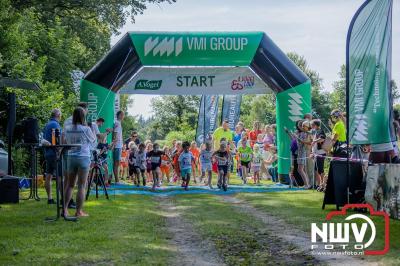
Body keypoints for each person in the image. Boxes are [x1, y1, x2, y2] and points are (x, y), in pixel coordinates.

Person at [63, 107, 95, 217]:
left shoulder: (67, 128)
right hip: (83, 158)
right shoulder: (86, 129)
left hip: (71, 157)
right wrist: (88, 128)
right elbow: (93, 140)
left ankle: (65, 210)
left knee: (70, 185)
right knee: (81, 186)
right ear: (83, 116)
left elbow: (65, 141)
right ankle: (78, 211)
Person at [43, 108, 62, 204]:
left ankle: (50, 198)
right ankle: (60, 198)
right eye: (60, 115)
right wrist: (59, 150)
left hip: (47, 153)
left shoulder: (47, 124)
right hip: (55, 153)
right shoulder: (55, 124)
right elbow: (58, 140)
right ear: (58, 115)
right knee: (60, 176)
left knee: (49, 175)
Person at [311, 119, 326, 189]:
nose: (311, 126)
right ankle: (319, 184)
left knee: (320, 170)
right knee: (316, 169)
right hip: (316, 153)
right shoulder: (316, 132)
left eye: (312, 125)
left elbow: (322, 138)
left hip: (321, 153)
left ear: (316, 125)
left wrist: (314, 141)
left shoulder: (320, 131)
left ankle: (323, 184)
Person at [297, 120, 312, 188]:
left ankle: (307, 184)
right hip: (300, 152)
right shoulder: (301, 133)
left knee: (300, 169)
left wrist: (302, 141)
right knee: (302, 169)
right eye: (302, 126)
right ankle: (307, 184)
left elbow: (310, 143)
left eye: (304, 126)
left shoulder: (309, 133)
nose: (302, 127)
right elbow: (298, 142)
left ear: (307, 126)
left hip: (304, 152)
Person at [112, 110, 125, 184]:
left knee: (117, 163)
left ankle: (117, 180)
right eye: (123, 115)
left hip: (119, 145)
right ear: (119, 115)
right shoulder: (117, 123)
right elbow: (115, 134)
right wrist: (114, 144)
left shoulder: (118, 123)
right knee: (116, 163)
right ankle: (117, 180)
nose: (124, 116)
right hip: (117, 146)